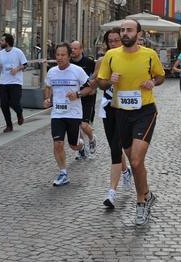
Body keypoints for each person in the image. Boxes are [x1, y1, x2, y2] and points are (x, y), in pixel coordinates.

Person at [97, 19, 165, 225]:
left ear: (138, 33)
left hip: (145, 111)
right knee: (136, 162)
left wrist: (152, 82)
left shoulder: (149, 55)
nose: (125, 33)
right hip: (121, 113)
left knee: (135, 162)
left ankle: (141, 204)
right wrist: (110, 81)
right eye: (123, 30)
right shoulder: (111, 56)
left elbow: (161, 76)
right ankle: (148, 194)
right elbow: (100, 83)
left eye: (129, 30)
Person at [90, 27, 133, 208]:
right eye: (111, 41)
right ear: (106, 43)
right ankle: (125, 171)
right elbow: (95, 82)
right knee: (114, 147)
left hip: (125, 108)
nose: (114, 43)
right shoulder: (102, 60)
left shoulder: (129, 57)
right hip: (108, 108)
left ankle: (111, 193)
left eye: (117, 40)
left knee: (116, 149)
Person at [43, 42, 92, 186]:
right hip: (57, 113)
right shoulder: (52, 71)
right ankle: (63, 173)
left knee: (73, 145)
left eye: (63, 55)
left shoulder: (77, 71)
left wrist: (77, 94)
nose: (59, 58)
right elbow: (48, 86)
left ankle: (82, 146)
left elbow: (89, 89)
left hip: (73, 113)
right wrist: (47, 99)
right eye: (57, 55)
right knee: (58, 143)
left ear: (69, 55)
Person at [0, 33, 27, 133]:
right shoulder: (0, 53)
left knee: (14, 103)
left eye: (2, 40)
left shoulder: (17, 52)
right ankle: (9, 125)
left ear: (7, 42)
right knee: (4, 105)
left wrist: (17, 69)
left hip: (15, 82)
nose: (0, 42)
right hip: (4, 82)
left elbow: (25, 64)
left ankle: (19, 113)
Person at [70, 41, 97, 159]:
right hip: (73, 98)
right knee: (76, 126)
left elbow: (94, 80)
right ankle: (82, 149)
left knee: (84, 125)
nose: (73, 51)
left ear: (81, 50)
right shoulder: (68, 63)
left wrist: (91, 88)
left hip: (87, 97)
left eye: (75, 48)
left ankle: (92, 138)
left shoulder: (89, 63)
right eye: (71, 48)